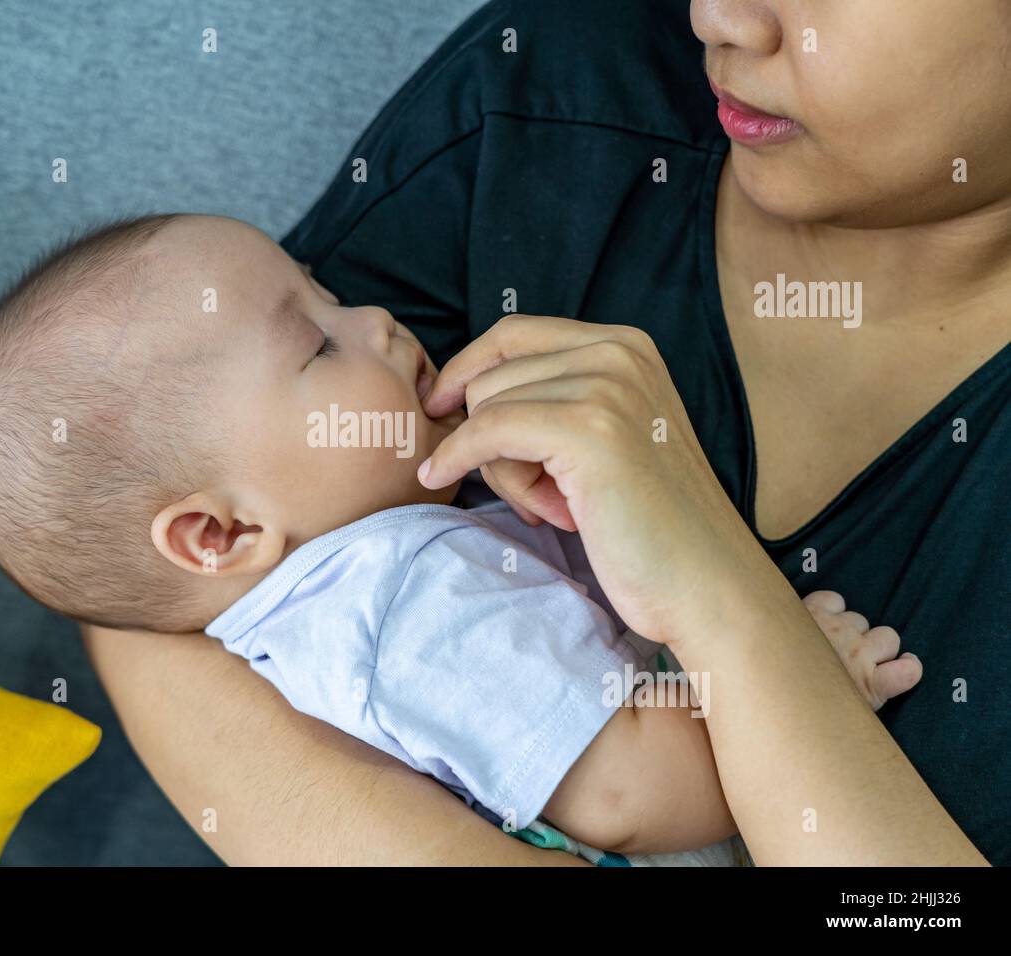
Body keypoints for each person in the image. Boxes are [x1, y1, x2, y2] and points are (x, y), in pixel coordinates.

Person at [84, 0, 1008, 864]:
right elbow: (123, 527)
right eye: (325, 336)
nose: (716, 17)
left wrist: (731, 602)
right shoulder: (564, 77)